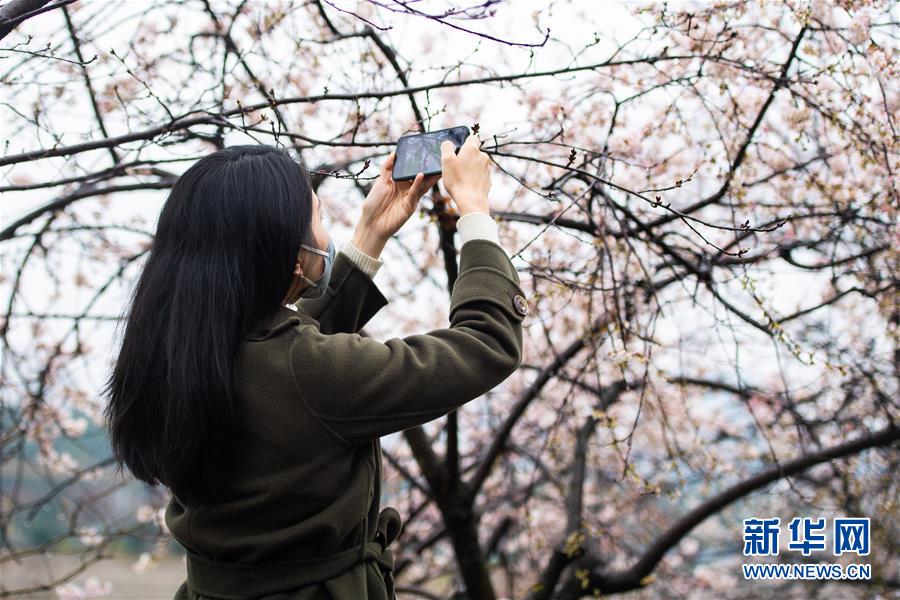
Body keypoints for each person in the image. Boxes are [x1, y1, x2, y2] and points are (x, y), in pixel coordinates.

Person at [103, 132, 528, 599]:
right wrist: (475, 213)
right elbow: (487, 343)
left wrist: (371, 234)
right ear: (285, 254)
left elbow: (289, 355)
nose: (327, 234)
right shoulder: (301, 373)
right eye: (320, 219)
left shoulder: (178, 351)